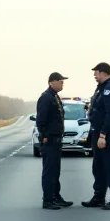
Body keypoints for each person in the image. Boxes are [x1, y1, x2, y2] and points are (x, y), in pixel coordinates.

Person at [82, 62, 110, 210]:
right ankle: (99, 196)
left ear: (104, 73)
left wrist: (103, 134)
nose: (95, 75)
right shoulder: (101, 89)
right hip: (98, 132)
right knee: (98, 166)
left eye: (96, 72)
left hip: (109, 133)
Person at [35, 72, 73, 210]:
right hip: (49, 140)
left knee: (56, 171)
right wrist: (44, 135)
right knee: (49, 171)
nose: (62, 83)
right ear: (52, 82)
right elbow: (41, 119)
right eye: (60, 81)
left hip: (56, 139)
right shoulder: (45, 98)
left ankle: (56, 196)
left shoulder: (55, 96)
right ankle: (48, 200)